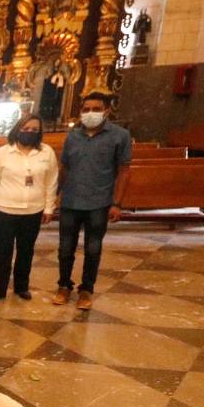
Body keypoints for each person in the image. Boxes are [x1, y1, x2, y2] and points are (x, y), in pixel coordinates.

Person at [54, 91, 132, 310]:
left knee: (93, 249)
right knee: (65, 248)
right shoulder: (73, 136)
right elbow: (64, 168)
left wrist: (117, 203)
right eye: (86, 109)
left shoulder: (119, 136)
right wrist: (55, 195)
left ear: (106, 111)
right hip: (71, 200)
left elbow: (125, 171)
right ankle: (63, 286)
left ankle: (86, 290)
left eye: (96, 109)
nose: (90, 113)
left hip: (99, 201)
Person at [0, 113, 58, 301]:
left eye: (34, 130)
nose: (29, 132)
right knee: (2, 251)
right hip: (5, 210)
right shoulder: (1, 154)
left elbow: (51, 182)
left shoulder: (46, 152)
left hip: (33, 211)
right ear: (17, 129)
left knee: (26, 250)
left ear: (39, 132)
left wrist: (49, 208)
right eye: (25, 129)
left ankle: (21, 286)